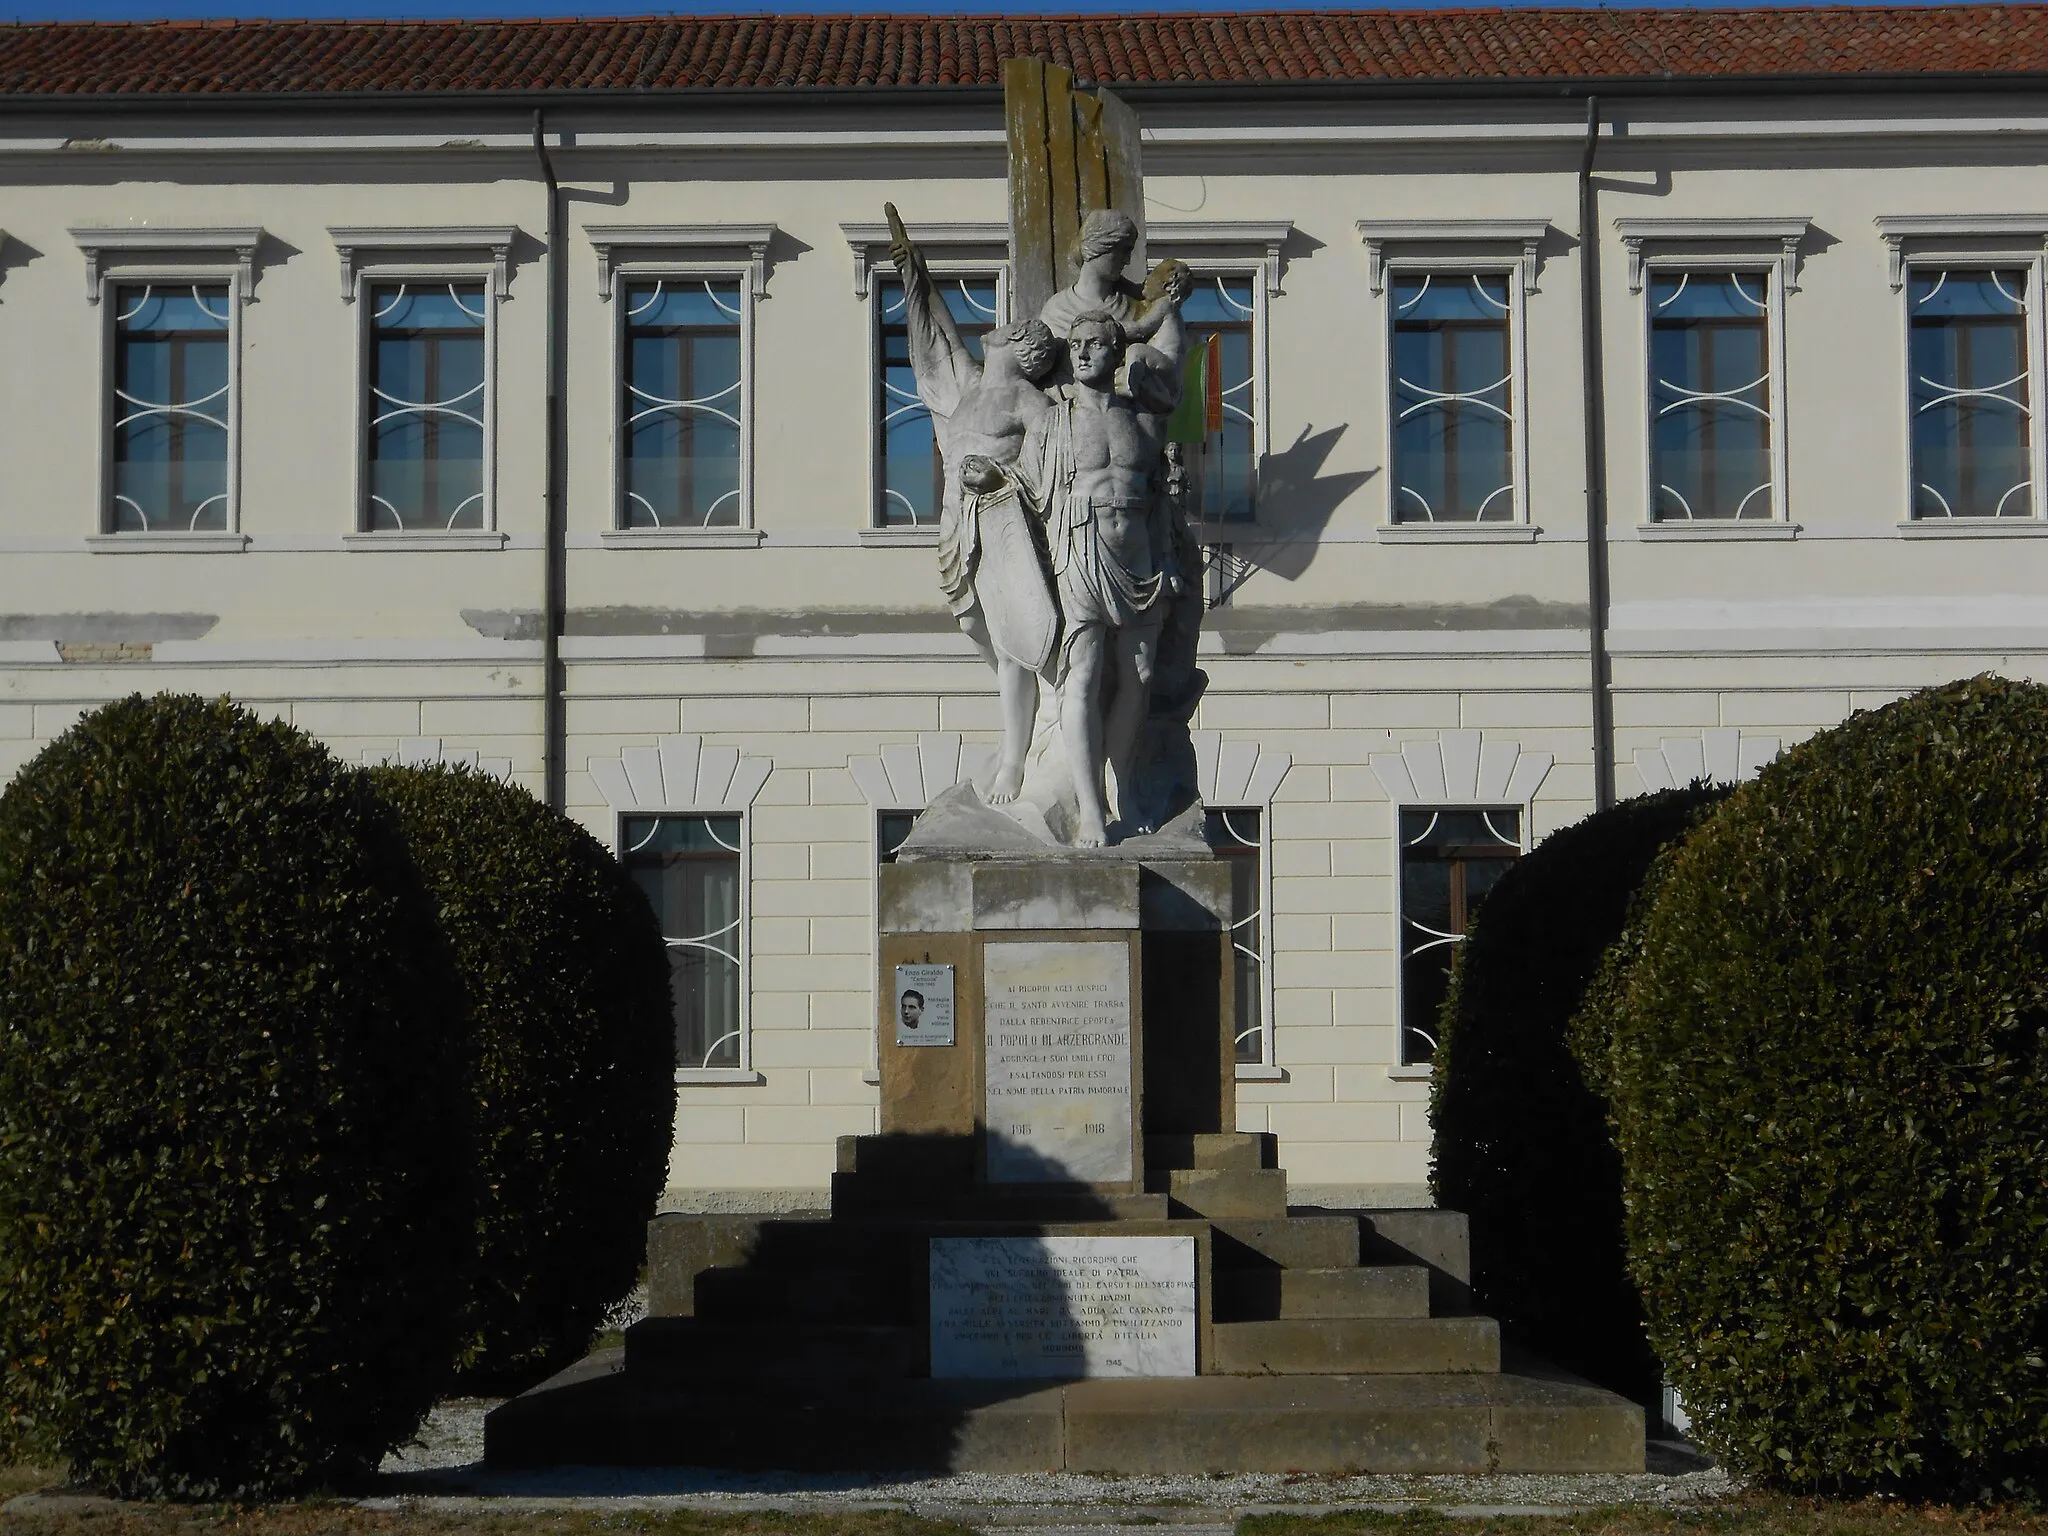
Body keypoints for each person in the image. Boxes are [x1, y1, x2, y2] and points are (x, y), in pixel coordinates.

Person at [888, 207, 1061, 803]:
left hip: (1005, 529)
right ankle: (1031, 718)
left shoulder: (1030, 403)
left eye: (1005, 325)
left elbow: (1050, 472)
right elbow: (935, 343)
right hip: (959, 527)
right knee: (974, 626)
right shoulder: (967, 390)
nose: (990, 327)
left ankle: (1017, 755)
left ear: (1021, 343)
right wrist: (915, 274)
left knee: (1013, 640)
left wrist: (999, 474)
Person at [1015, 310, 1186, 847]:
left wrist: (1172, 562)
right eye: (1077, 344)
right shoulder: (1051, 422)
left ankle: (1121, 785)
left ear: (1115, 353)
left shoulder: (1143, 422)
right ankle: (1090, 809)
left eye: (1095, 344)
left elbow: (1163, 502)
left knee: (1137, 678)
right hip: (1080, 551)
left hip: (1139, 557)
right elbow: (1024, 493)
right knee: (1082, 677)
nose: (1084, 353)